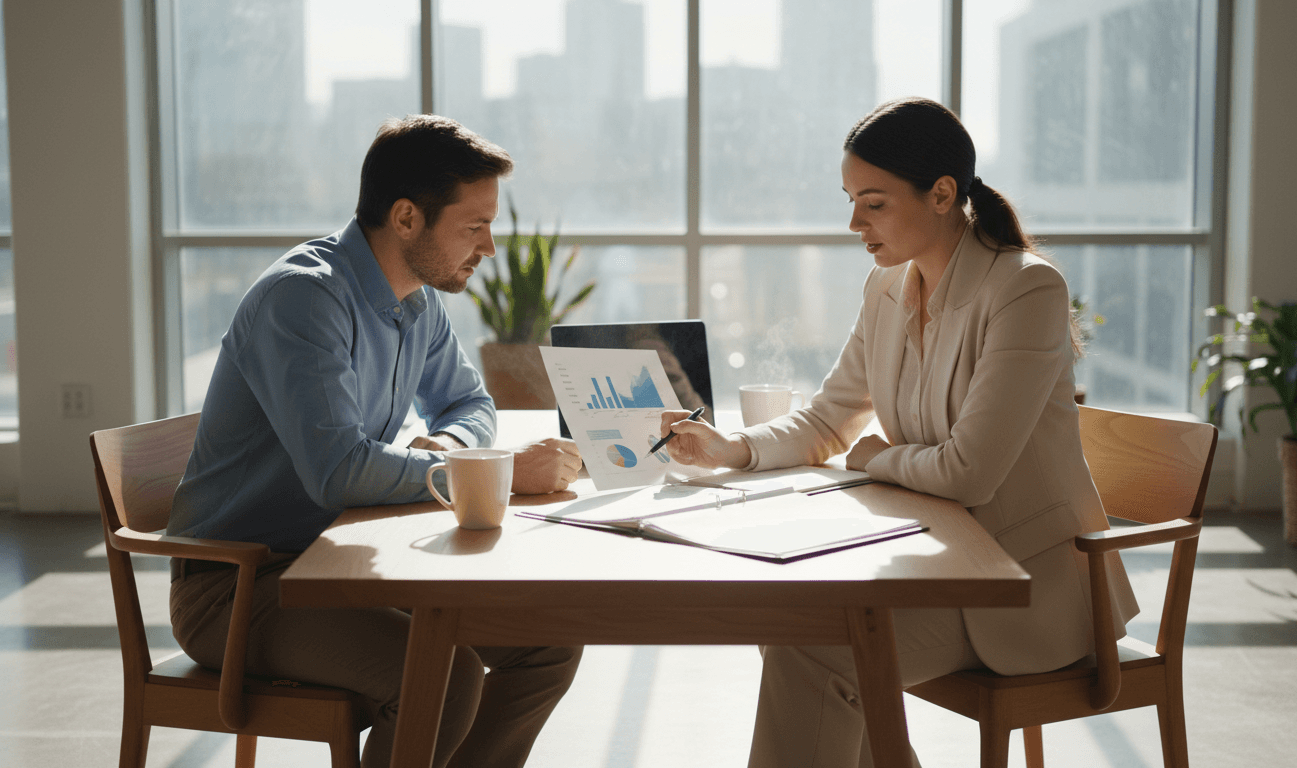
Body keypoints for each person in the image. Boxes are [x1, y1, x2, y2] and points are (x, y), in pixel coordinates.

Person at [659, 98, 1139, 768]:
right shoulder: (887, 286)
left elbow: (970, 472)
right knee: (798, 631)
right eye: (852, 199)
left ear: (942, 194)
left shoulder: (1027, 291)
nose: (854, 221)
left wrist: (881, 459)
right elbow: (832, 417)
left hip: (1023, 588)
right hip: (932, 563)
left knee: (815, 650)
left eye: (874, 203)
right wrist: (735, 449)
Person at [166, 115, 583, 768]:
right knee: (443, 679)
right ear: (408, 218)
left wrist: (446, 450)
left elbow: (469, 403)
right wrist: (485, 473)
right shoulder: (304, 300)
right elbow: (338, 473)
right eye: (474, 227)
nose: (490, 248)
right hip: (244, 588)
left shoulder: (415, 302)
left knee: (548, 641)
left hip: (345, 565)